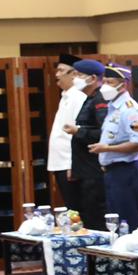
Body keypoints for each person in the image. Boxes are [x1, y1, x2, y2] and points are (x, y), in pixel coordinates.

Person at [90, 65, 138, 232]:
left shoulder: (129, 109)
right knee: (115, 222)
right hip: (112, 173)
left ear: (123, 85)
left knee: (128, 222)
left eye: (110, 82)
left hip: (125, 171)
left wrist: (106, 148)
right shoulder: (113, 107)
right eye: (104, 82)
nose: (105, 86)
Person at [63, 59, 109, 230]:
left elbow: (104, 133)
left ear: (92, 78)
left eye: (78, 75)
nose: (74, 78)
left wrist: (79, 131)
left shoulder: (99, 99)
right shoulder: (89, 99)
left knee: (95, 216)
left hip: (94, 169)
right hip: (84, 168)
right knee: (86, 215)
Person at [47, 54, 86, 211]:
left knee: (77, 207)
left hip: (69, 163)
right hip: (60, 162)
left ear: (74, 74)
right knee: (71, 208)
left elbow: (79, 132)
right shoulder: (65, 96)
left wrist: (74, 164)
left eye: (61, 71)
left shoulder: (78, 97)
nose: (57, 75)